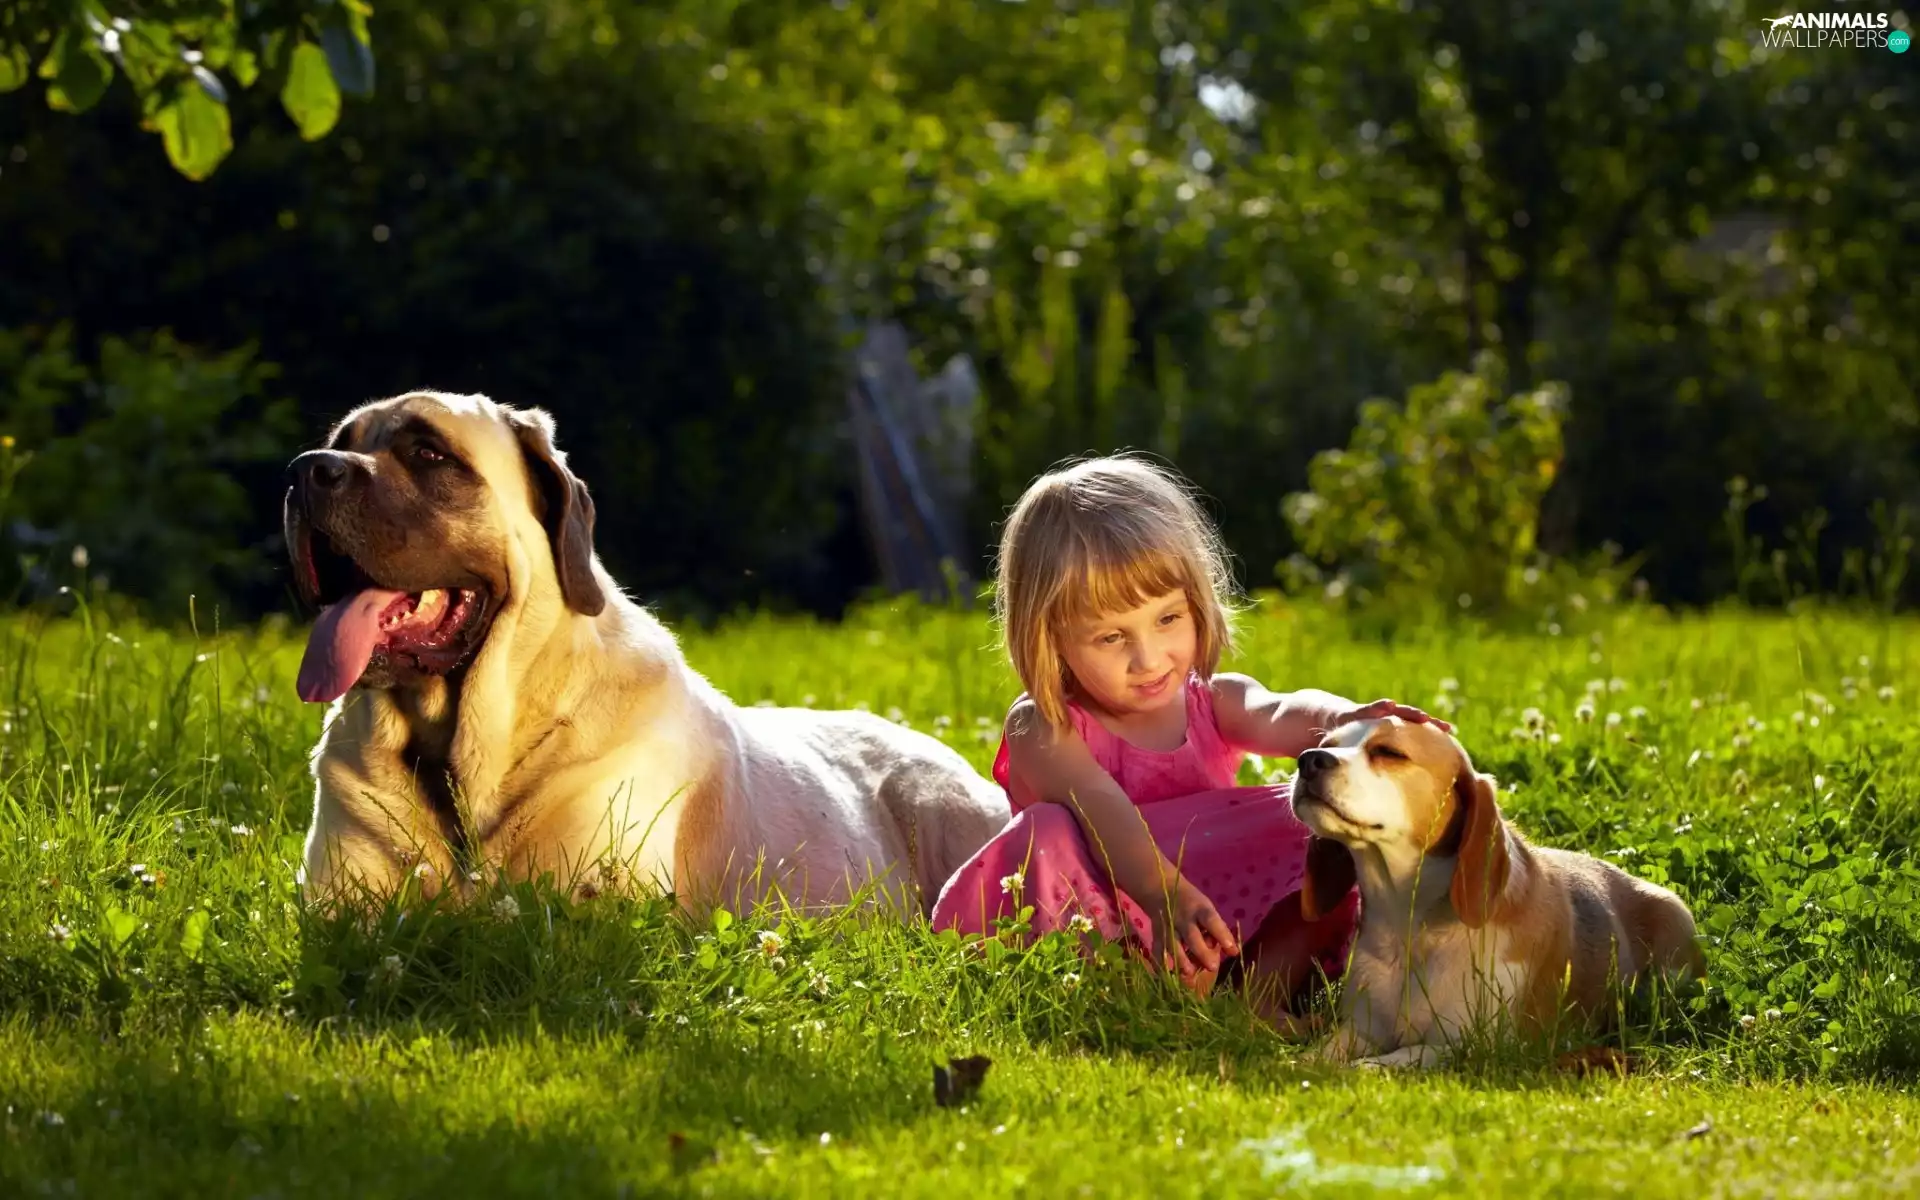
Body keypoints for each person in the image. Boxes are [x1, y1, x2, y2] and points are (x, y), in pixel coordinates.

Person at [929, 454, 1449, 1020]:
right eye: (1110, 638)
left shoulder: (1210, 700)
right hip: (1099, 922)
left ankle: (1257, 999)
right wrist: (1163, 893)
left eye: (1168, 619)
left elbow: (1280, 710)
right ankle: (1127, 1000)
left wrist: (1350, 722)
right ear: (1048, 637)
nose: (1148, 658)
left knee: (1322, 824)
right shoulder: (1043, 725)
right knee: (1049, 831)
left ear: (1197, 603)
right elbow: (1102, 808)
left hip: (1214, 917)